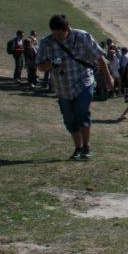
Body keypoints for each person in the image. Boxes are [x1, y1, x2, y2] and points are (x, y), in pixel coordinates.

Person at [36, 14, 114, 161]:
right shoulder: (46, 43)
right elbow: (40, 66)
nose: (57, 38)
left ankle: (86, 147)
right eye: (54, 34)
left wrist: (109, 79)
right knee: (69, 120)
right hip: (62, 88)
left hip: (83, 82)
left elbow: (99, 57)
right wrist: (51, 64)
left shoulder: (82, 37)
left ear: (67, 29)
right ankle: (78, 148)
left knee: (82, 113)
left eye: (60, 34)